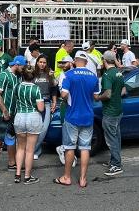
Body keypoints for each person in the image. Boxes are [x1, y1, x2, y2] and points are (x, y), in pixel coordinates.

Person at [53, 51, 100, 188]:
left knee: (69, 147)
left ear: (75, 61)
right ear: (86, 62)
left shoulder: (69, 75)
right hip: (88, 116)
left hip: (72, 116)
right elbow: (96, 96)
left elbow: (63, 94)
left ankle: (67, 177)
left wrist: (64, 93)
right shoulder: (93, 77)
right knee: (85, 148)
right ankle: (83, 179)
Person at [0, 55, 26, 176]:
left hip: (14, 114)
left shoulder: (18, 76)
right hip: (2, 114)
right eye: (22, 66)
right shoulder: (4, 75)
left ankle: (12, 163)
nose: (23, 68)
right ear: (16, 64)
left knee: (11, 138)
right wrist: (5, 111)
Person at [95, 50, 126, 176]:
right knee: (116, 138)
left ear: (104, 60)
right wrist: (115, 96)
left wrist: (98, 98)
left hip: (110, 112)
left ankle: (116, 165)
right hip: (118, 110)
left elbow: (107, 94)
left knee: (111, 139)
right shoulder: (118, 73)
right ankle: (114, 161)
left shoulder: (107, 75)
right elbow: (123, 90)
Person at [14, 65, 44, 184]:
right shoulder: (36, 89)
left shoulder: (18, 87)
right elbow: (41, 108)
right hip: (33, 117)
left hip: (20, 117)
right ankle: (27, 176)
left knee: (20, 147)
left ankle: (17, 174)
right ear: (34, 76)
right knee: (30, 150)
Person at [33, 54, 57, 159]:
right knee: (34, 128)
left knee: (44, 128)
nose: (42, 64)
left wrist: (54, 102)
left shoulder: (49, 74)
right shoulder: (32, 73)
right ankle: (36, 151)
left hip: (46, 103)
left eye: (44, 62)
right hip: (34, 104)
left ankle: (33, 150)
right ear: (37, 62)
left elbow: (54, 89)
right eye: (40, 62)